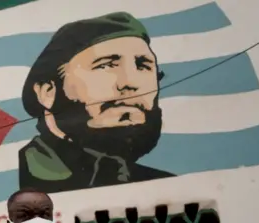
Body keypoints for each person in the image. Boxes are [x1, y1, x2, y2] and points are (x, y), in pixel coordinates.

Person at [18, 12, 173, 193]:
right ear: (47, 92)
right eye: (106, 65)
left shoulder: (164, 185)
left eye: (143, 65)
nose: (130, 83)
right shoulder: (29, 180)